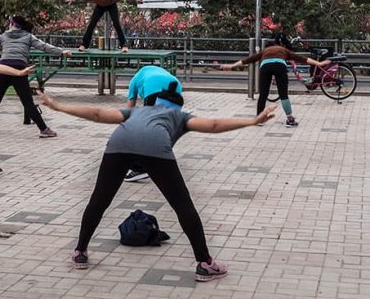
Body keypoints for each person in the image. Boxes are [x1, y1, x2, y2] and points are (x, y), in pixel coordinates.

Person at [38, 86, 276, 281]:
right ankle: (205, 264)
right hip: (155, 146)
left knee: (99, 199)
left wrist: (57, 105)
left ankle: (80, 251)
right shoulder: (180, 116)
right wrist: (252, 121)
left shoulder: (137, 112)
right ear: (179, 106)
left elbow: (99, 114)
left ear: (152, 101)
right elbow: (212, 125)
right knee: (182, 205)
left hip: (119, 142)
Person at [0, 16, 72, 138]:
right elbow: (44, 46)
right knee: (27, 102)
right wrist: (61, 51)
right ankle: (44, 129)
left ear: (12, 24)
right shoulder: (28, 36)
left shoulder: (4, 36)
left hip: (3, 69)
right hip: (19, 69)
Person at [220, 34, 328, 127]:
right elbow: (302, 58)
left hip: (265, 67)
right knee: (283, 94)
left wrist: (232, 65)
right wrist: (318, 63)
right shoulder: (284, 50)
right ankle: (290, 119)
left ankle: (259, 119)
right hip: (280, 66)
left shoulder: (265, 51)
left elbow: (248, 60)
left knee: (263, 94)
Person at [122, 65, 184, 182]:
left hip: (153, 86)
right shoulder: (153, 72)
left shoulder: (134, 80)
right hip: (175, 86)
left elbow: (130, 109)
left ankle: (141, 169)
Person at [66, 0, 139, 52]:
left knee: (116, 24)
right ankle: (84, 44)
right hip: (100, 5)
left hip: (111, 5)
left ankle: (124, 45)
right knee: (92, 24)